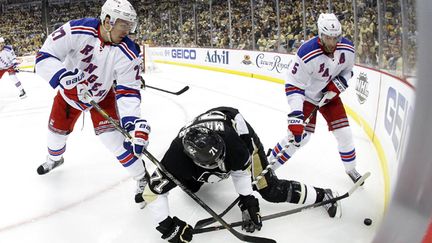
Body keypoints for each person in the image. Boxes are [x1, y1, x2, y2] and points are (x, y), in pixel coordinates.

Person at [141, 106, 340, 243]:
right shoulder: (176, 159)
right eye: (213, 163)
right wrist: (167, 228)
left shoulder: (235, 144)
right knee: (189, 185)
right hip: (207, 135)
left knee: (268, 188)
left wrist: (247, 199)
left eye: (221, 158)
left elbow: (239, 170)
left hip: (236, 126)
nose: (221, 165)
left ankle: (325, 195)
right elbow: (151, 194)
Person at [35, 0, 150, 208]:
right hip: (69, 95)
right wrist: (62, 76)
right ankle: (55, 158)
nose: (127, 30)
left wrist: (132, 124)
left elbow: (128, 91)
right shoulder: (77, 29)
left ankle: (142, 177)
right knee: (55, 134)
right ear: (107, 20)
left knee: (114, 141)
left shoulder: (130, 51)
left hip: (102, 97)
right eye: (123, 24)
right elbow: (44, 56)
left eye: (129, 25)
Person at [268, 13, 364, 184]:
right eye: (328, 38)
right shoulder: (306, 52)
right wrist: (296, 115)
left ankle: (351, 169)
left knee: (345, 134)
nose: (333, 43)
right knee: (299, 137)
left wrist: (341, 81)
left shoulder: (347, 48)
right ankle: (269, 165)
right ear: (320, 34)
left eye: (336, 38)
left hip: (330, 97)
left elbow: (348, 70)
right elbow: (293, 84)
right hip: (308, 97)